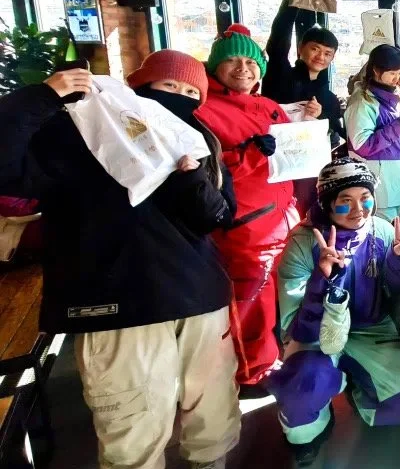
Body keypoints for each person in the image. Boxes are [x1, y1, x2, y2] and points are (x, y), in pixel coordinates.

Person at [0, 54, 240, 469]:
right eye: (168, 86)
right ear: (137, 86)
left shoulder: (198, 141)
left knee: (213, 410)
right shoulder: (77, 129)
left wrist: (191, 180)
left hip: (199, 297)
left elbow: (218, 217)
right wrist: (43, 96)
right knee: (132, 430)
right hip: (116, 306)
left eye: (190, 92)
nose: (179, 97)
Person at [267, 159, 400, 466]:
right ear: (327, 204)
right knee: (304, 386)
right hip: (315, 337)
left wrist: (399, 263)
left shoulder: (382, 230)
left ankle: (358, 390)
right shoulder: (302, 244)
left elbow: (395, 298)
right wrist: (323, 280)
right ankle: (311, 430)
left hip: (371, 329)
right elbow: (294, 325)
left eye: (365, 198)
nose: (359, 210)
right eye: (345, 201)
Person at [196, 24, 309, 392]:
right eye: (232, 60)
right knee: (250, 304)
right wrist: (250, 154)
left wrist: (306, 130)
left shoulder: (268, 106)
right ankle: (251, 375)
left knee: (283, 296)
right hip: (244, 229)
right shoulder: (202, 110)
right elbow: (203, 171)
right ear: (215, 66)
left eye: (250, 61)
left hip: (283, 219)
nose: (243, 68)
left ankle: (278, 358)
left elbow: (289, 154)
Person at [261, 0, 343, 145]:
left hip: (311, 161)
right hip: (274, 154)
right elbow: (280, 34)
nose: (320, 57)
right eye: (315, 49)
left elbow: (336, 139)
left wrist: (320, 116)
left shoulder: (329, 99)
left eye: (327, 53)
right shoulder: (280, 74)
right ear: (300, 48)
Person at [344, 44, 400, 220]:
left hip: (396, 181)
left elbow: (398, 139)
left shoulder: (392, 98)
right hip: (378, 184)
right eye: (392, 73)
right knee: (381, 230)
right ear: (376, 70)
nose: (397, 78)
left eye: (399, 73)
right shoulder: (363, 102)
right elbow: (362, 145)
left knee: (396, 230)